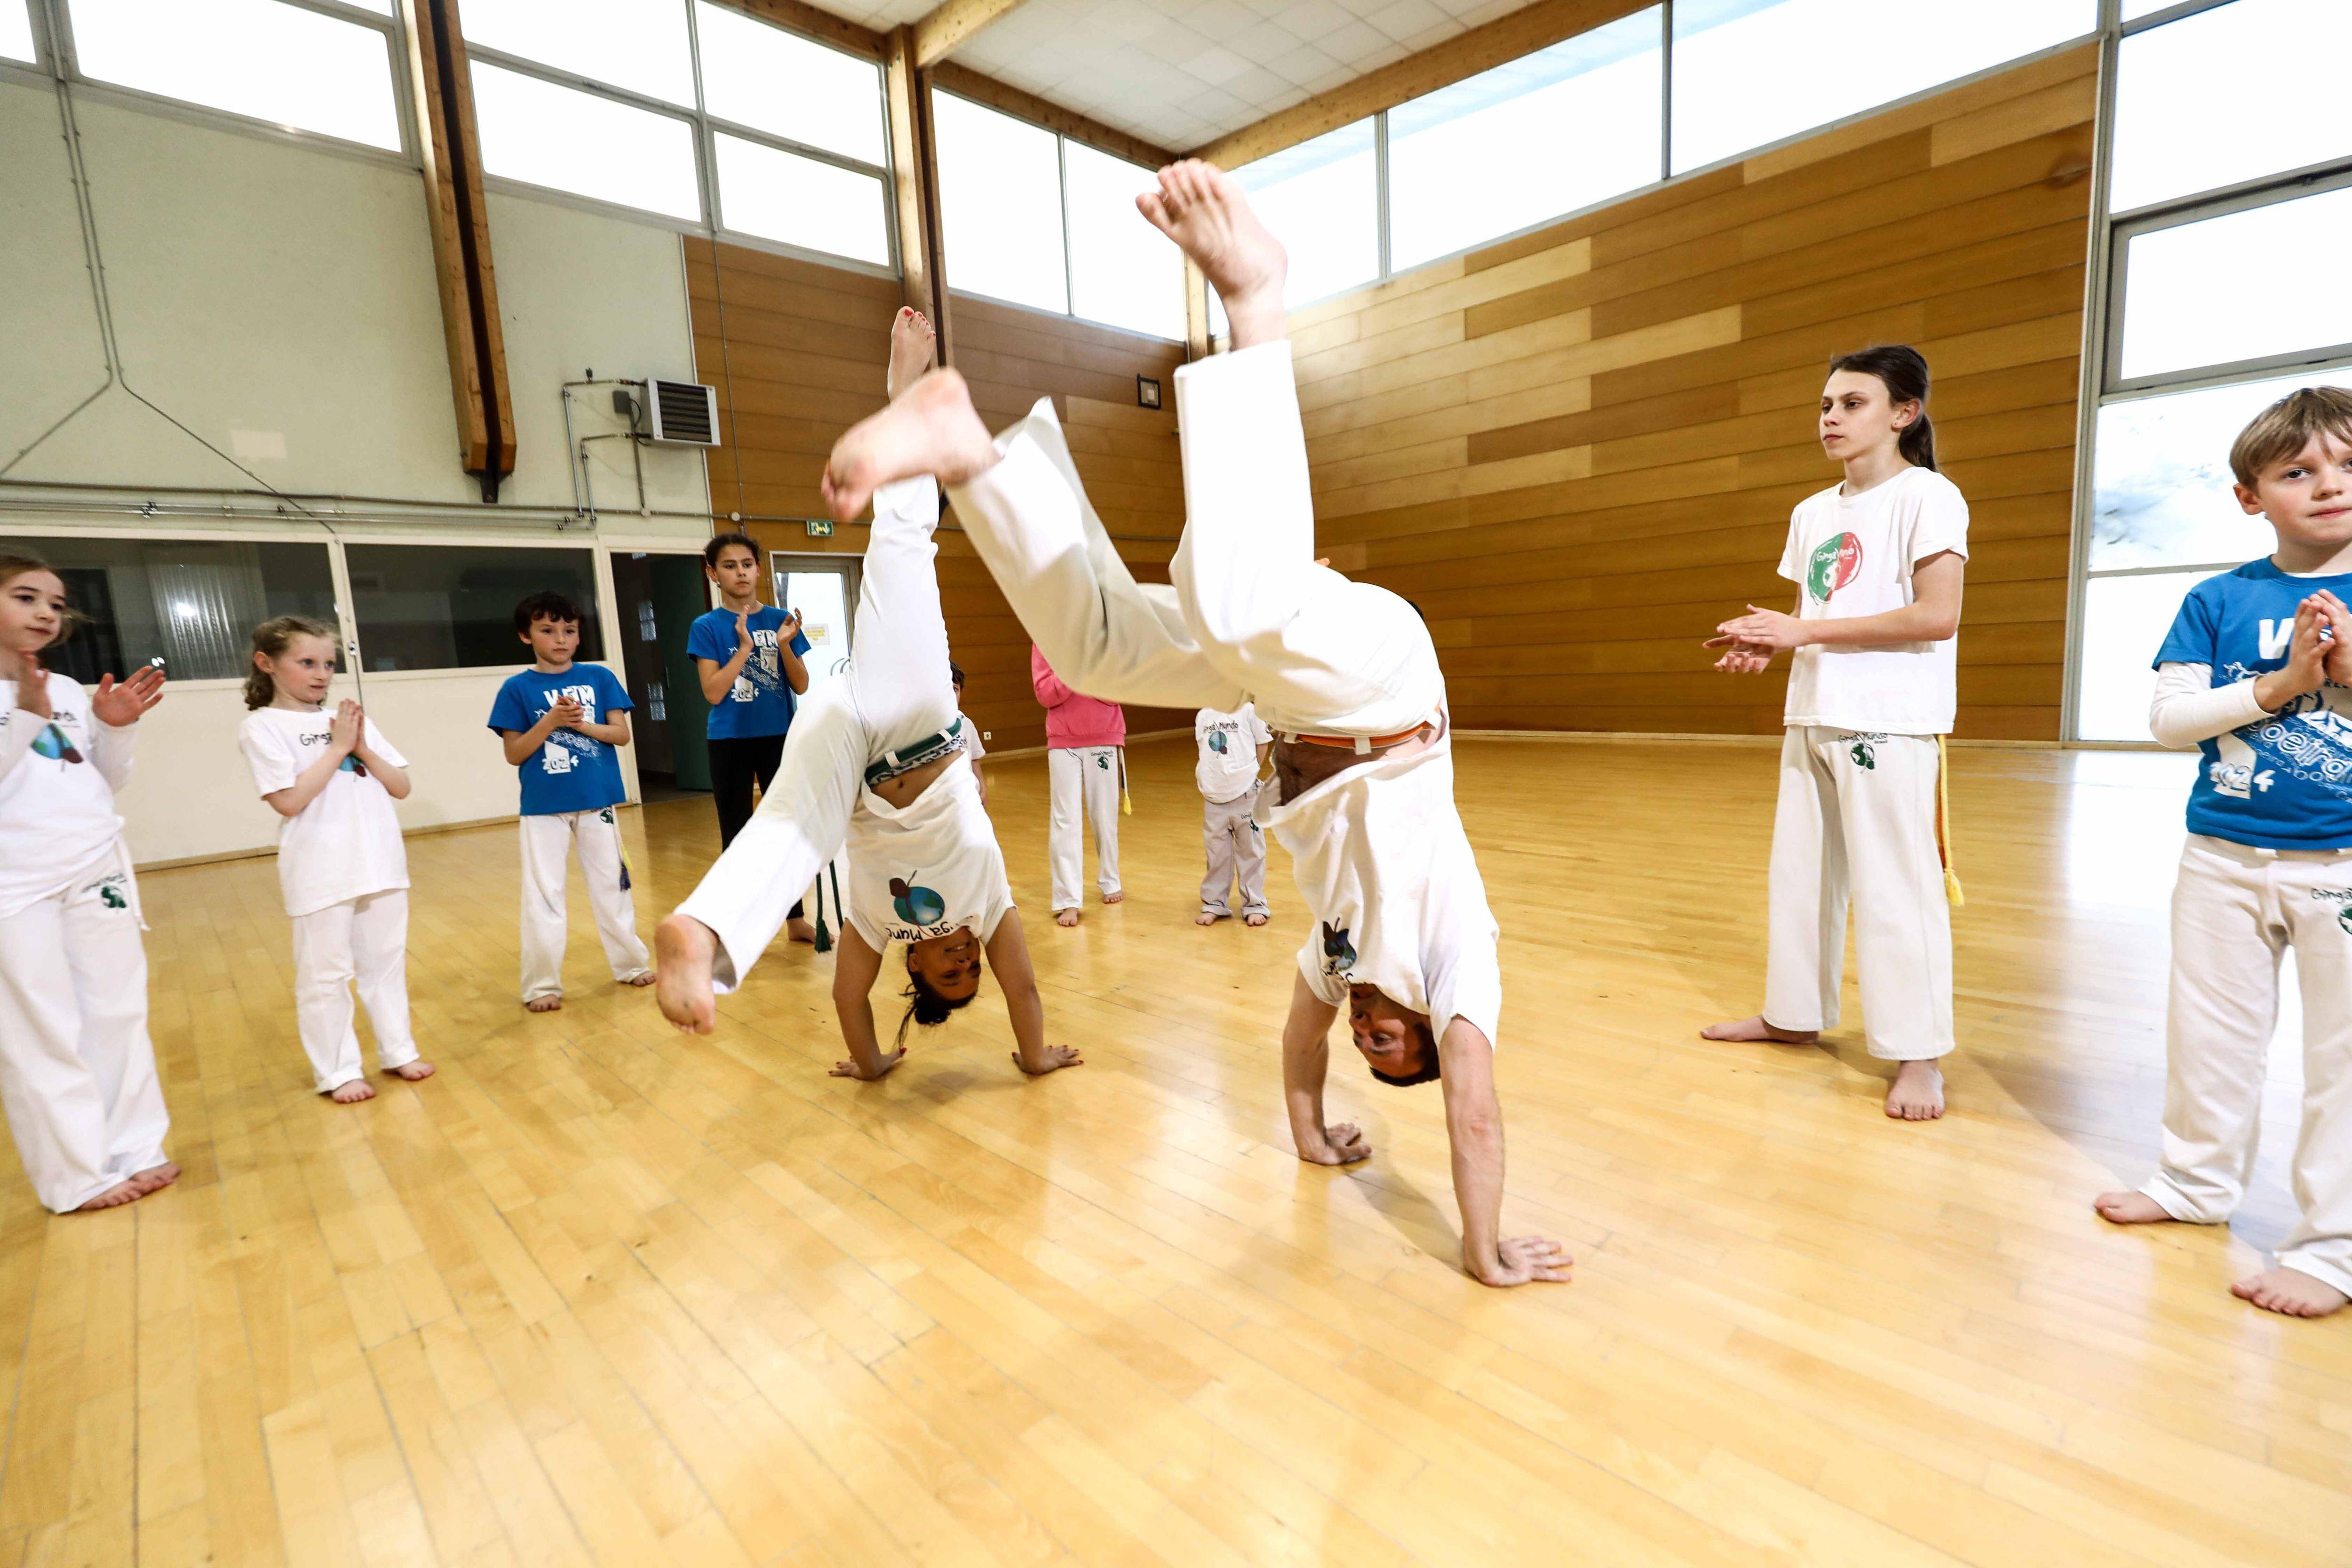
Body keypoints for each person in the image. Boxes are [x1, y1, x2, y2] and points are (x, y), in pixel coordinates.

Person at [814, 164, 1566, 1288]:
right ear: (1425, 1025)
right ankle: (1255, 303)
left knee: (1097, 646)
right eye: (1394, 1041)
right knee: (1236, 600)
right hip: (1386, 690)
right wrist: (1482, 1244)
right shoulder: (1460, 967)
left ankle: (966, 450)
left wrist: (1311, 1131)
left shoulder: (1339, 958)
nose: (1372, 1035)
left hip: (1290, 699)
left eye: (1374, 1051)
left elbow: (1298, 1047)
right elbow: (1474, 1115)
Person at [653, 307, 1081, 1083]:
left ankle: (905, 397)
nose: (961, 959)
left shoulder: (874, 925)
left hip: (848, 739)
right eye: (968, 970)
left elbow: (851, 998)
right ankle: (704, 931)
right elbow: (1024, 984)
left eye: (945, 972)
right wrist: (1033, 1053)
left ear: (912, 970)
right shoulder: (988, 911)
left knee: (797, 822)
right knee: (902, 558)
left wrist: (874, 1058)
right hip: (908, 723)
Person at [2094, 386, 2352, 1320]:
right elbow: (2169, 720)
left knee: (2344, 1060)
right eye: (2298, 470)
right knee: (2208, 1039)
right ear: (2251, 496)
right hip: (2221, 855)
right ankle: (2192, 1184)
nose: (2328, 484)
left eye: (2347, 465)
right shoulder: (2217, 597)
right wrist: (2280, 684)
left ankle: (2334, 1249)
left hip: (2344, 867)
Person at [1700, 344, 1968, 1123]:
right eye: (1826, 405)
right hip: (1814, 710)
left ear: (1904, 413)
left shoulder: (1931, 496)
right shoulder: (1813, 512)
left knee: (1897, 889)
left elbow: (1936, 615)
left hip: (1891, 719)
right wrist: (1772, 639)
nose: (1832, 418)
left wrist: (1800, 629)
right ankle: (1793, 1012)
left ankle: (1919, 1053)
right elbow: (1812, 619)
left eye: (1852, 403)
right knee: (1801, 874)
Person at [0, 553, 175, 1211]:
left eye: (55, 602)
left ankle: (136, 1148)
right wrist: (23, 713)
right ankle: (75, 1175)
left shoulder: (68, 689)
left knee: (117, 1013)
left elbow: (100, 781)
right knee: (43, 1031)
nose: (47, 612)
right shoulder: (33, 696)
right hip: (16, 886)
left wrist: (114, 730)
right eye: (26, 597)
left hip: (94, 865)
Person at [238, 617, 435, 1102]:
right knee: (324, 976)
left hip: (380, 861)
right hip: (320, 869)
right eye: (306, 663)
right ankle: (338, 1070)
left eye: (328, 664)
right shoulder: (261, 726)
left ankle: (398, 1050)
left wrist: (360, 743)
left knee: (385, 964)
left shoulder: (350, 722)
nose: (321, 674)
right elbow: (288, 801)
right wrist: (339, 748)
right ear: (267, 664)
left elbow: (401, 787)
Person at [487, 591, 653, 1012]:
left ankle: (631, 964)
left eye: (569, 631)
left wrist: (584, 724)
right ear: (527, 636)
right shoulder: (516, 689)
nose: (560, 638)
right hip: (544, 806)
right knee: (545, 894)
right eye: (548, 630)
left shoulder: (600, 678)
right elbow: (515, 753)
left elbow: (620, 734)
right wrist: (550, 720)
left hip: (598, 800)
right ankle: (542, 984)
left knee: (612, 886)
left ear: (579, 637)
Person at [688, 533, 815, 944]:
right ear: (713, 573)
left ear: (759, 569)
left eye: (747, 564)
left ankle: (795, 919)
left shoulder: (781, 619)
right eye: (729, 565)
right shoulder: (706, 626)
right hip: (729, 740)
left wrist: (785, 646)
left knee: (785, 831)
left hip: (779, 737)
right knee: (737, 832)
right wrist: (743, 649)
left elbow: (802, 685)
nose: (740, 572)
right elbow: (713, 692)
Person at [1034, 644, 1125, 925]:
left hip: (1105, 736)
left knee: (1104, 816)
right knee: (1065, 820)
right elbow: (1044, 694)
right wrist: (1073, 673)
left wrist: (1085, 668)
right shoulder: (1044, 639)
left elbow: (1119, 688)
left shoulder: (1107, 636)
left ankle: (1110, 880)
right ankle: (1068, 900)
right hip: (1063, 741)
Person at [1195, 701, 1271, 927]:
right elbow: (1206, 753)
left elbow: (1262, 743)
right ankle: (1214, 903)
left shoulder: (1250, 711)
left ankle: (1255, 904)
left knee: (1251, 851)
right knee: (1217, 854)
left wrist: (1249, 774)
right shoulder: (1204, 715)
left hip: (1246, 796)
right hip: (1214, 798)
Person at [951, 660, 986, 808]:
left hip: (970, 795)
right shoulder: (928, 726)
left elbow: (974, 760)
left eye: (956, 689)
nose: (953, 694)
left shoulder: (966, 723)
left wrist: (983, 788)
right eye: (948, 688)